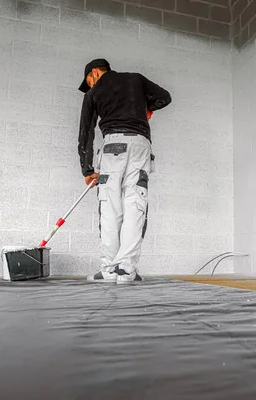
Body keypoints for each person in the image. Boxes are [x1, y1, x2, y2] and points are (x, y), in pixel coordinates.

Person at [77, 59, 172, 283]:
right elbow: (165, 97)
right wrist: (148, 107)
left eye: (89, 80)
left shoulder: (93, 93)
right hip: (140, 146)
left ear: (95, 72)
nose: (90, 85)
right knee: (134, 204)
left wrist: (87, 169)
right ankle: (127, 270)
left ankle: (109, 269)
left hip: (112, 148)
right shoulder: (136, 79)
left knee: (110, 208)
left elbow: (86, 132)